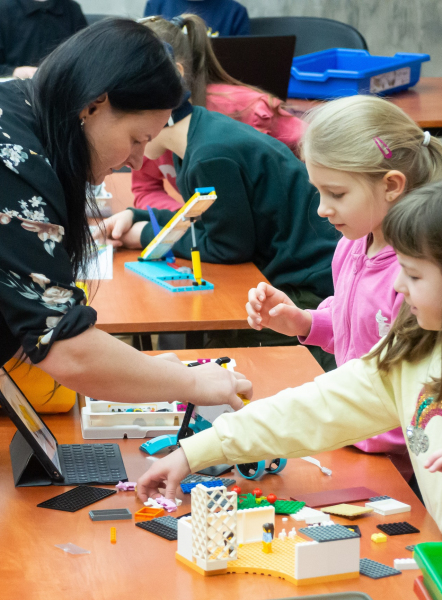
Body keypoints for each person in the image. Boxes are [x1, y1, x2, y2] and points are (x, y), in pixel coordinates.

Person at [0, 20, 252, 600]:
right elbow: (66, 348)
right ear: (94, 105)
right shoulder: (6, 156)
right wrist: (194, 383)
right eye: (136, 139)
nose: (134, 161)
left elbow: (37, 306)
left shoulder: (14, 114)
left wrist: (151, 373)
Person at [138, 180, 442, 533]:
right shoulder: (410, 350)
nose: (399, 285)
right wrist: (194, 452)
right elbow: (319, 406)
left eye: (414, 274)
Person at [246, 96, 442, 483]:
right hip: (353, 437)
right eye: (318, 191)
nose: (322, 208)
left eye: (336, 193)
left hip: (404, 462)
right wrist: (305, 322)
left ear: (391, 185)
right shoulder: (351, 246)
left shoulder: (416, 277)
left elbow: (410, 375)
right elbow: (354, 323)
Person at [98, 96, 339, 367]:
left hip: (314, 290)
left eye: (133, 137)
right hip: (294, 272)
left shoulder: (209, 156)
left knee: (219, 348)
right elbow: (208, 221)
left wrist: (145, 235)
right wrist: (140, 217)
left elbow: (228, 247)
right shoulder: (200, 133)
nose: (134, 156)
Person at [134, 14, 306, 211]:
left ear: (175, 73)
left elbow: (321, 144)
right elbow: (145, 189)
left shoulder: (245, 108)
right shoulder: (145, 124)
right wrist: (185, 220)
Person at [0, 0, 87, 78]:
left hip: (61, 95)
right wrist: (16, 72)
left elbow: (87, 63)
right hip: (15, 93)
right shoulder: (0, 9)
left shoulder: (72, 9)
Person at [144, 0, 249, 37]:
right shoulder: (155, 6)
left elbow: (241, 62)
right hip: (166, 79)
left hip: (216, 78)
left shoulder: (235, 12)